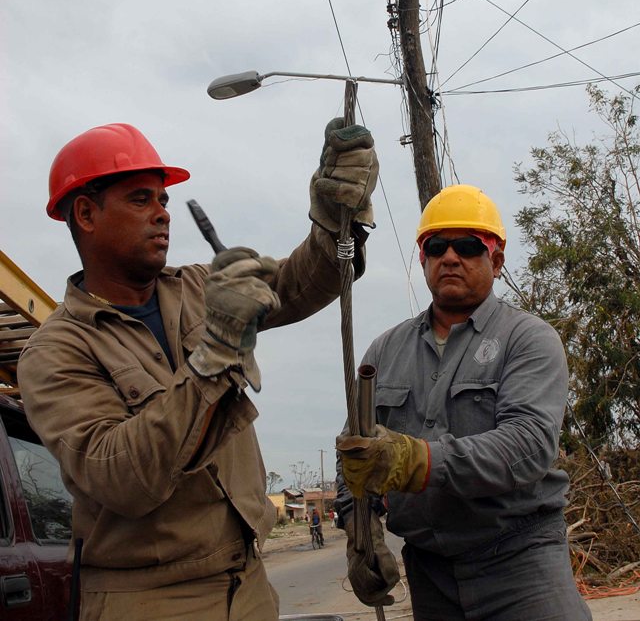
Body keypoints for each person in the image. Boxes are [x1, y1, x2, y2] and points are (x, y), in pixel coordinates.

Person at [18, 120, 378, 621]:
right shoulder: (56, 350)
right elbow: (120, 475)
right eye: (140, 199)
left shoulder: (198, 287)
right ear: (85, 213)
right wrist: (216, 351)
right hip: (148, 600)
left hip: (248, 585)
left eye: (163, 200)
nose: (162, 213)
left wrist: (336, 220)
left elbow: (298, 284)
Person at [335, 184, 592, 620]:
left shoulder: (528, 339)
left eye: (469, 246)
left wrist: (415, 460)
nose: (450, 257)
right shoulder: (385, 351)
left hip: (521, 562)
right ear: (423, 259)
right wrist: (360, 531)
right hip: (429, 572)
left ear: (496, 260)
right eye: (436, 247)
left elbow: (528, 445)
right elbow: (353, 452)